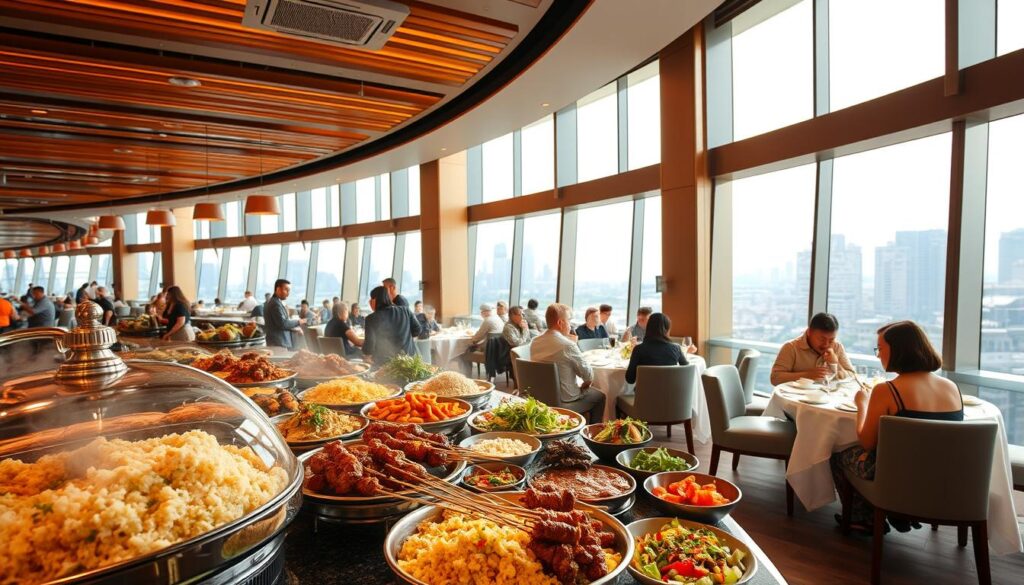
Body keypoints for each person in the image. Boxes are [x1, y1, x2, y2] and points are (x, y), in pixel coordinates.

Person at [830, 321, 963, 534]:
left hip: (897, 478)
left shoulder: (888, 390)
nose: (878, 355)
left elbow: (867, 441)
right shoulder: (951, 387)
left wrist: (862, 403)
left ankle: (864, 519)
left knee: (838, 452)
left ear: (897, 350)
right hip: (943, 477)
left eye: (880, 349)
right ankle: (897, 513)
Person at [530, 303, 604, 423]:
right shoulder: (567, 345)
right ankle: (591, 434)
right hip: (564, 401)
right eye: (569, 320)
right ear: (560, 323)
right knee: (600, 396)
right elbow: (589, 376)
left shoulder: (534, 342)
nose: (570, 325)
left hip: (539, 398)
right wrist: (585, 386)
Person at [770, 312, 855, 386]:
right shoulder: (791, 347)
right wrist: (807, 375)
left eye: (831, 340)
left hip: (826, 399)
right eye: (822, 339)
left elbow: (853, 376)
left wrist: (835, 364)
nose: (826, 344)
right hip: (795, 400)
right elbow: (775, 378)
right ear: (809, 332)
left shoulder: (837, 347)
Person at [624, 313, 692, 384]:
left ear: (648, 327)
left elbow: (630, 379)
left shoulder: (639, 349)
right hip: (671, 394)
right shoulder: (676, 348)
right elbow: (687, 371)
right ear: (667, 329)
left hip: (645, 394)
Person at [363, 286, 420, 363]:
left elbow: (369, 345)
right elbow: (417, 330)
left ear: (374, 300)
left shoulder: (371, 318)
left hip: (386, 364)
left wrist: (366, 357)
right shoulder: (405, 310)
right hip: (410, 361)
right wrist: (404, 337)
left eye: (371, 300)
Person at [264, 279, 305, 349]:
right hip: (279, 343)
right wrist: (299, 322)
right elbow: (282, 324)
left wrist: (294, 328)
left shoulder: (276, 302)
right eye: (286, 290)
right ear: (278, 289)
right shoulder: (275, 304)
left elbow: (278, 324)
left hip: (279, 342)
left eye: (289, 291)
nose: (288, 293)